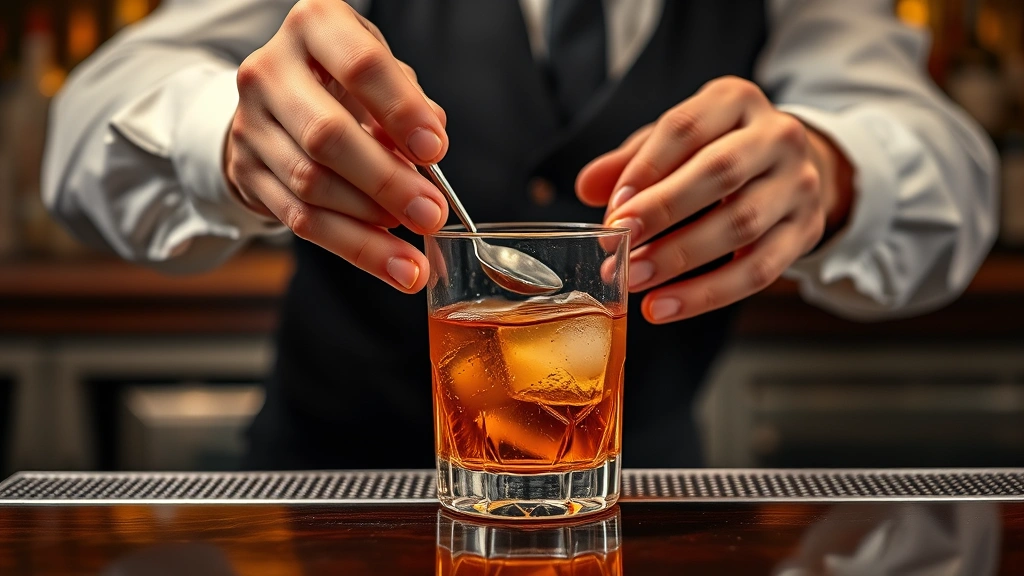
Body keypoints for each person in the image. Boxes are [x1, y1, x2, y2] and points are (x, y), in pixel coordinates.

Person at [41, 0, 997, 469]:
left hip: (638, 517)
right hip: (320, 505)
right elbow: (88, 124)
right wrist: (227, 135)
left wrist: (832, 169)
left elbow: (948, 166)